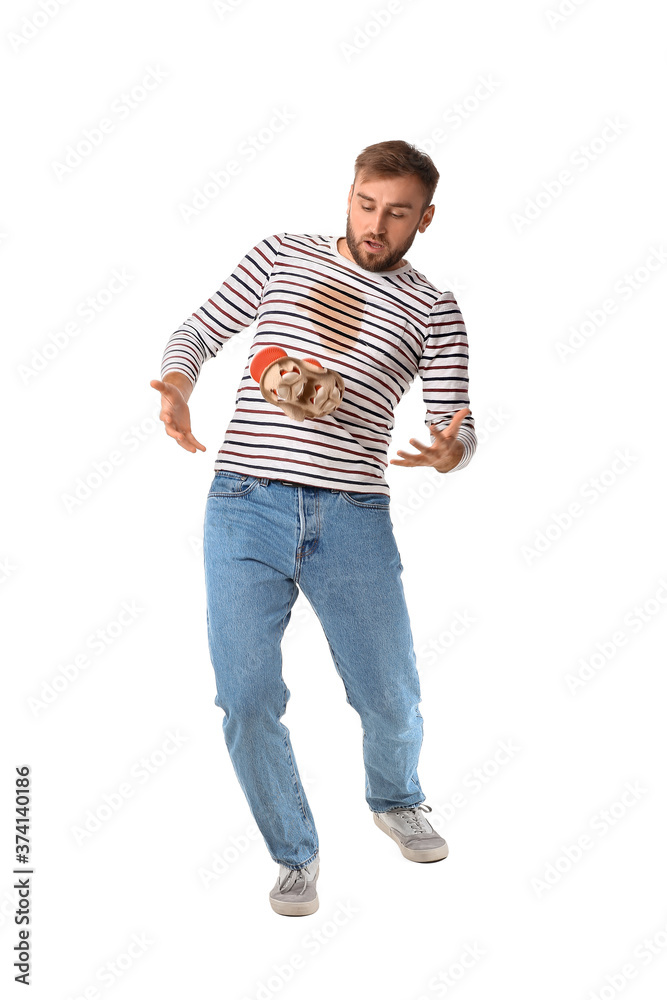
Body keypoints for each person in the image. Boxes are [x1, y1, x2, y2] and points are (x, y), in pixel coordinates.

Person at [150, 139, 477, 917]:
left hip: (353, 516)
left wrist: (446, 452)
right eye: (366, 204)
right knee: (246, 696)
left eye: (397, 213)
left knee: (389, 697)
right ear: (350, 195)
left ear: (423, 218)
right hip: (243, 504)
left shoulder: (433, 306)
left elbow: (457, 422)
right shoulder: (280, 255)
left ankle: (396, 797)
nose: (376, 224)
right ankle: (293, 853)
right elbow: (195, 331)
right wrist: (174, 387)